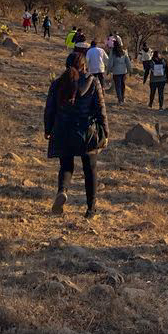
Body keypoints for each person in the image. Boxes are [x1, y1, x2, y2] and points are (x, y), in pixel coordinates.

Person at [43, 52, 108, 219]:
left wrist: (48, 129)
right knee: (90, 169)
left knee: (66, 166)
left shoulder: (57, 84)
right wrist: (105, 133)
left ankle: (62, 191)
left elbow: (50, 109)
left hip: (63, 131)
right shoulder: (93, 82)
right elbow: (101, 110)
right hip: (86, 133)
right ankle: (91, 209)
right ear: (84, 66)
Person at [107, 41, 132, 105]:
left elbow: (110, 62)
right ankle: (123, 98)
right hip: (124, 71)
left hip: (116, 72)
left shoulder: (113, 52)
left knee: (117, 86)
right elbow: (128, 62)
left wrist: (108, 70)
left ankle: (120, 100)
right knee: (122, 85)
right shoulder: (124, 52)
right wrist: (130, 70)